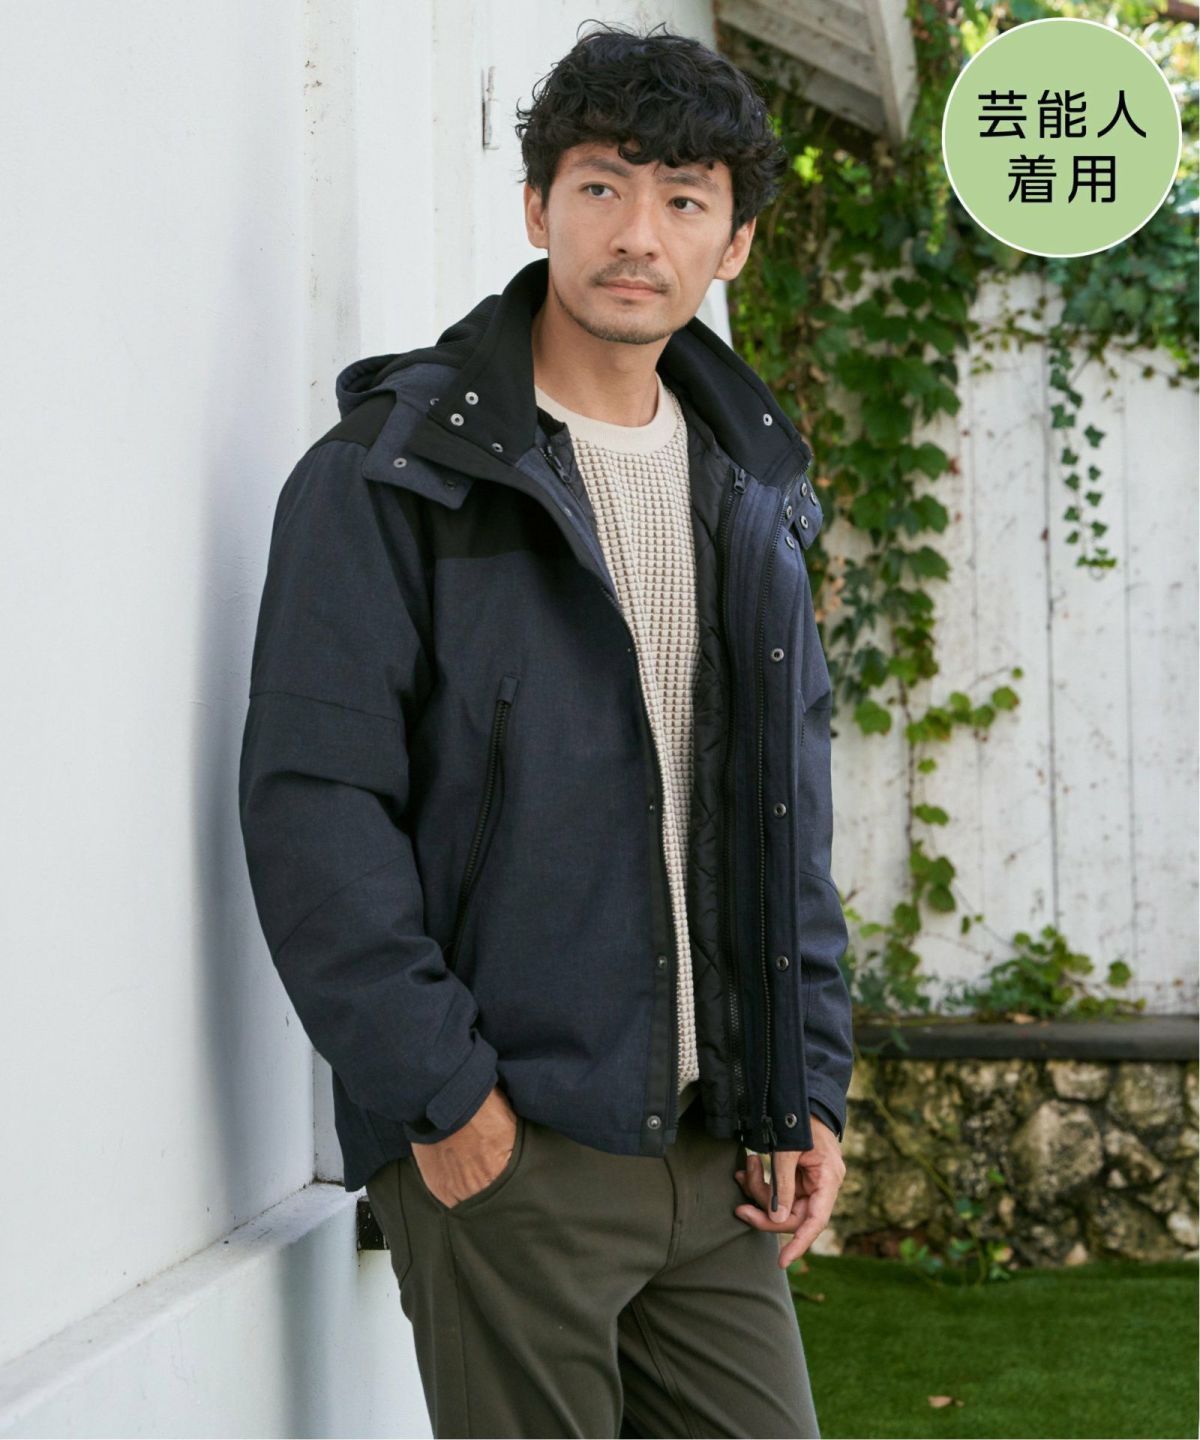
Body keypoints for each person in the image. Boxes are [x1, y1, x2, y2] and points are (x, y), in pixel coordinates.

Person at [238, 20, 853, 1439]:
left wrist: (806, 1088)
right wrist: (445, 1101)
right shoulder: (392, 477)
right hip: (510, 1146)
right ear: (537, 209)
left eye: (683, 198)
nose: (638, 233)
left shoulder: (752, 492)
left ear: (733, 244)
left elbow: (788, 811)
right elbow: (314, 804)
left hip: (715, 1154)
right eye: (601, 187)